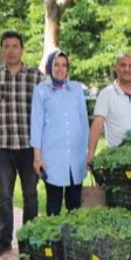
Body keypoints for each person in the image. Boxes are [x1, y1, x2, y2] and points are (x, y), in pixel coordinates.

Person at [0, 31, 43, 257]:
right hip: (3, 147)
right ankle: (4, 240)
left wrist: (42, 148)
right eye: (6, 46)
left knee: (30, 195)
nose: (11, 50)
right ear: (2, 50)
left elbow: (45, 113)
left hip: (29, 147)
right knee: (4, 195)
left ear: (22, 49)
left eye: (15, 46)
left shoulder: (36, 77)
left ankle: (30, 240)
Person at [30, 50, 89, 216]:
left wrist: (88, 152)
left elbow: (84, 122)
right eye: (56, 64)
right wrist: (37, 157)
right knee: (53, 206)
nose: (60, 68)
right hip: (52, 157)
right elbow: (36, 124)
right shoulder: (41, 90)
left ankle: (72, 240)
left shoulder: (76, 89)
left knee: (74, 205)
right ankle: (54, 241)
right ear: (50, 66)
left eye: (64, 65)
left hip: (76, 157)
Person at [86, 53, 131, 165]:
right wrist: (90, 155)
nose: (127, 69)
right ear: (115, 68)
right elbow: (97, 125)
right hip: (117, 158)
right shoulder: (107, 93)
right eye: (123, 65)